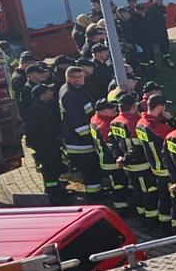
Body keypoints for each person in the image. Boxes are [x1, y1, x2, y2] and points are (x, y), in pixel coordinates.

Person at [58, 66, 103, 201]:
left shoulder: (72, 91)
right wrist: (92, 139)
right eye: (78, 77)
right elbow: (78, 123)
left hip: (79, 141)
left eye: (83, 76)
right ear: (69, 79)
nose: (83, 79)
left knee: (91, 170)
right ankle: (94, 196)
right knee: (91, 171)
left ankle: (95, 192)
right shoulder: (70, 96)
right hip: (81, 143)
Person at [138, 96, 176, 230]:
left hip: (153, 166)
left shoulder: (141, 123)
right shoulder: (159, 128)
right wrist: (171, 120)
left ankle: (158, 225)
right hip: (165, 169)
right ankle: (168, 227)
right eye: (164, 107)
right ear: (159, 107)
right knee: (168, 199)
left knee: (159, 196)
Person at [111, 94, 153, 225]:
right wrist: (125, 158)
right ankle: (149, 220)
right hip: (141, 165)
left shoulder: (114, 122)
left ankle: (141, 216)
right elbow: (137, 147)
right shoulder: (134, 123)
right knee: (148, 192)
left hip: (127, 166)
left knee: (136, 191)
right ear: (133, 107)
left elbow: (114, 144)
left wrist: (120, 158)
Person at [23, 84, 68, 202]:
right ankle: (52, 191)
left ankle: (56, 186)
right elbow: (32, 129)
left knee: (55, 166)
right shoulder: (37, 109)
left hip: (50, 142)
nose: (52, 93)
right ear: (42, 94)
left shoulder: (44, 106)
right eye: (49, 91)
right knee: (50, 168)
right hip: (45, 145)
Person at [89, 100, 129, 213]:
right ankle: (122, 210)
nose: (114, 110)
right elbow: (112, 146)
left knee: (117, 184)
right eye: (110, 108)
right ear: (101, 111)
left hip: (104, 158)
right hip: (111, 162)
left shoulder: (94, 119)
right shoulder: (105, 125)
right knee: (118, 186)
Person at [147, 0, 175, 68]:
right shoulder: (151, 9)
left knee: (166, 44)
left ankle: (166, 59)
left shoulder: (163, 8)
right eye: (159, 0)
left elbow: (164, 18)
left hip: (163, 28)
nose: (161, 1)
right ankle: (161, 61)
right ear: (156, 0)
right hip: (156, 30)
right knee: (159, 45)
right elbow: (149, 21)